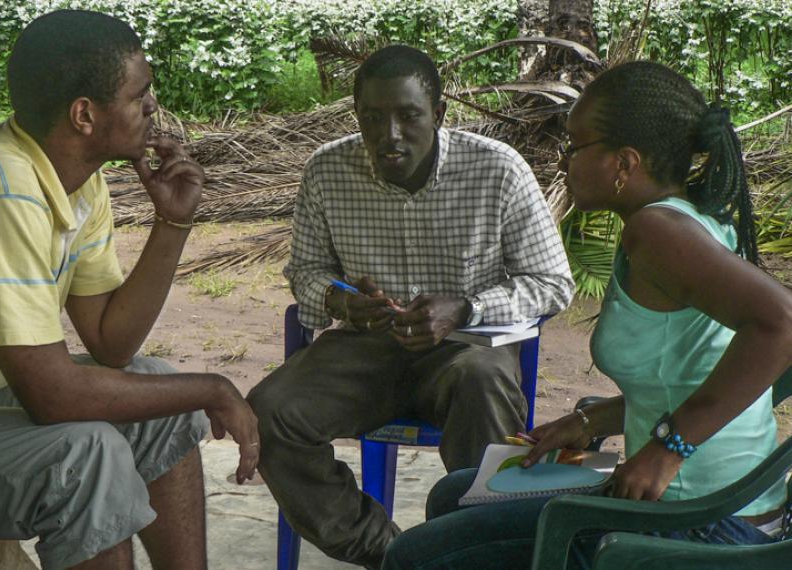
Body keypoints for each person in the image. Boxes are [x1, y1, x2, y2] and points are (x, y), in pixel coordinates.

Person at [381, 60, 792, 570]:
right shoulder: (682, 220)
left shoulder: (660, 233)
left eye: (574, 147)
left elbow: (782, 323)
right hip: (718, 504)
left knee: (409, 557)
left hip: (704, 521)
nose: (562, 162)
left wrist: (667, 449)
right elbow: (683, 374)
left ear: (624, 163)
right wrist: (584, 421)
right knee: (457, 492)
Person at [0, 10, 259, 570]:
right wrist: (215, 386)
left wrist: (173, 224)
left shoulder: (78, 183)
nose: (152, 107)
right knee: (89, 455)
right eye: (140, 95)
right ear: (85, 114)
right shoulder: (0, 191)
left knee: (158, 390)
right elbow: (54, 397)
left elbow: (113, 346)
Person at [247, 44, 574, 569]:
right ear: (356, 116)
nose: (389, 134)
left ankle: (477, 553)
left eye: (408, 115)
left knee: (484, 383)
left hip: (467, 349)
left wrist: (465, 308)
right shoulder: (327, 170)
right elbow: (305, 272)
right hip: (365, 348)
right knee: (269, 414)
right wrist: (342, 302)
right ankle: (396, 555)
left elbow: (553, 284)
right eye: (372, 118)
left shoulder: (497, 169)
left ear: (439, 115)